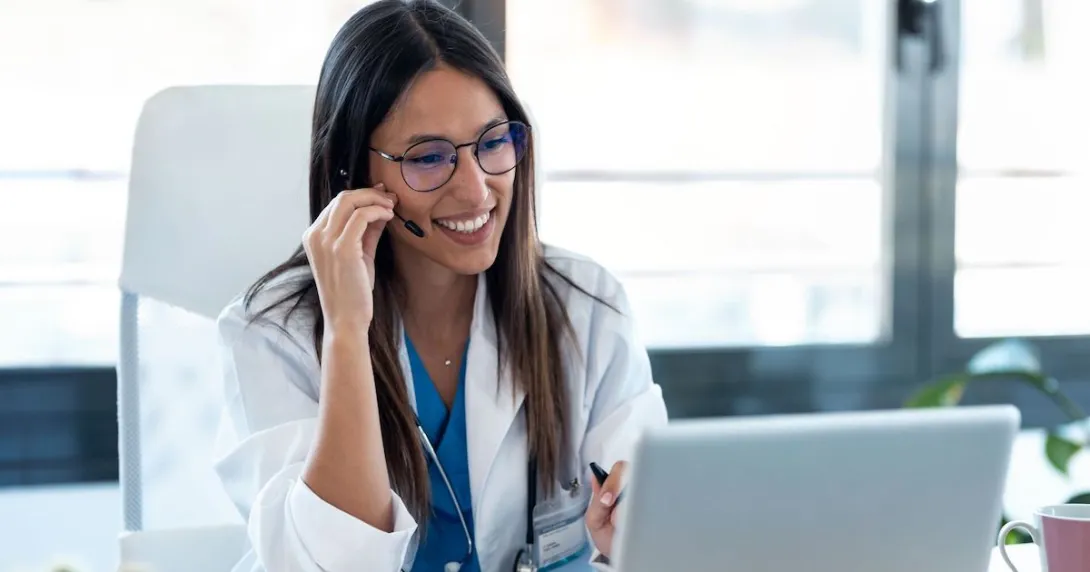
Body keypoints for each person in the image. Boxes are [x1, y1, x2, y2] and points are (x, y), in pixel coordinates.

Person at [212, 1, 668, 570]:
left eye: (493, 142)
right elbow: (329, 564)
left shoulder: (587, 307)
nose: (476, 191)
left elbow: (659, 529)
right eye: (429, 157)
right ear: (354, 172)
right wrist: (348, 332)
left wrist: (634, 536)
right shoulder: (273, 336)